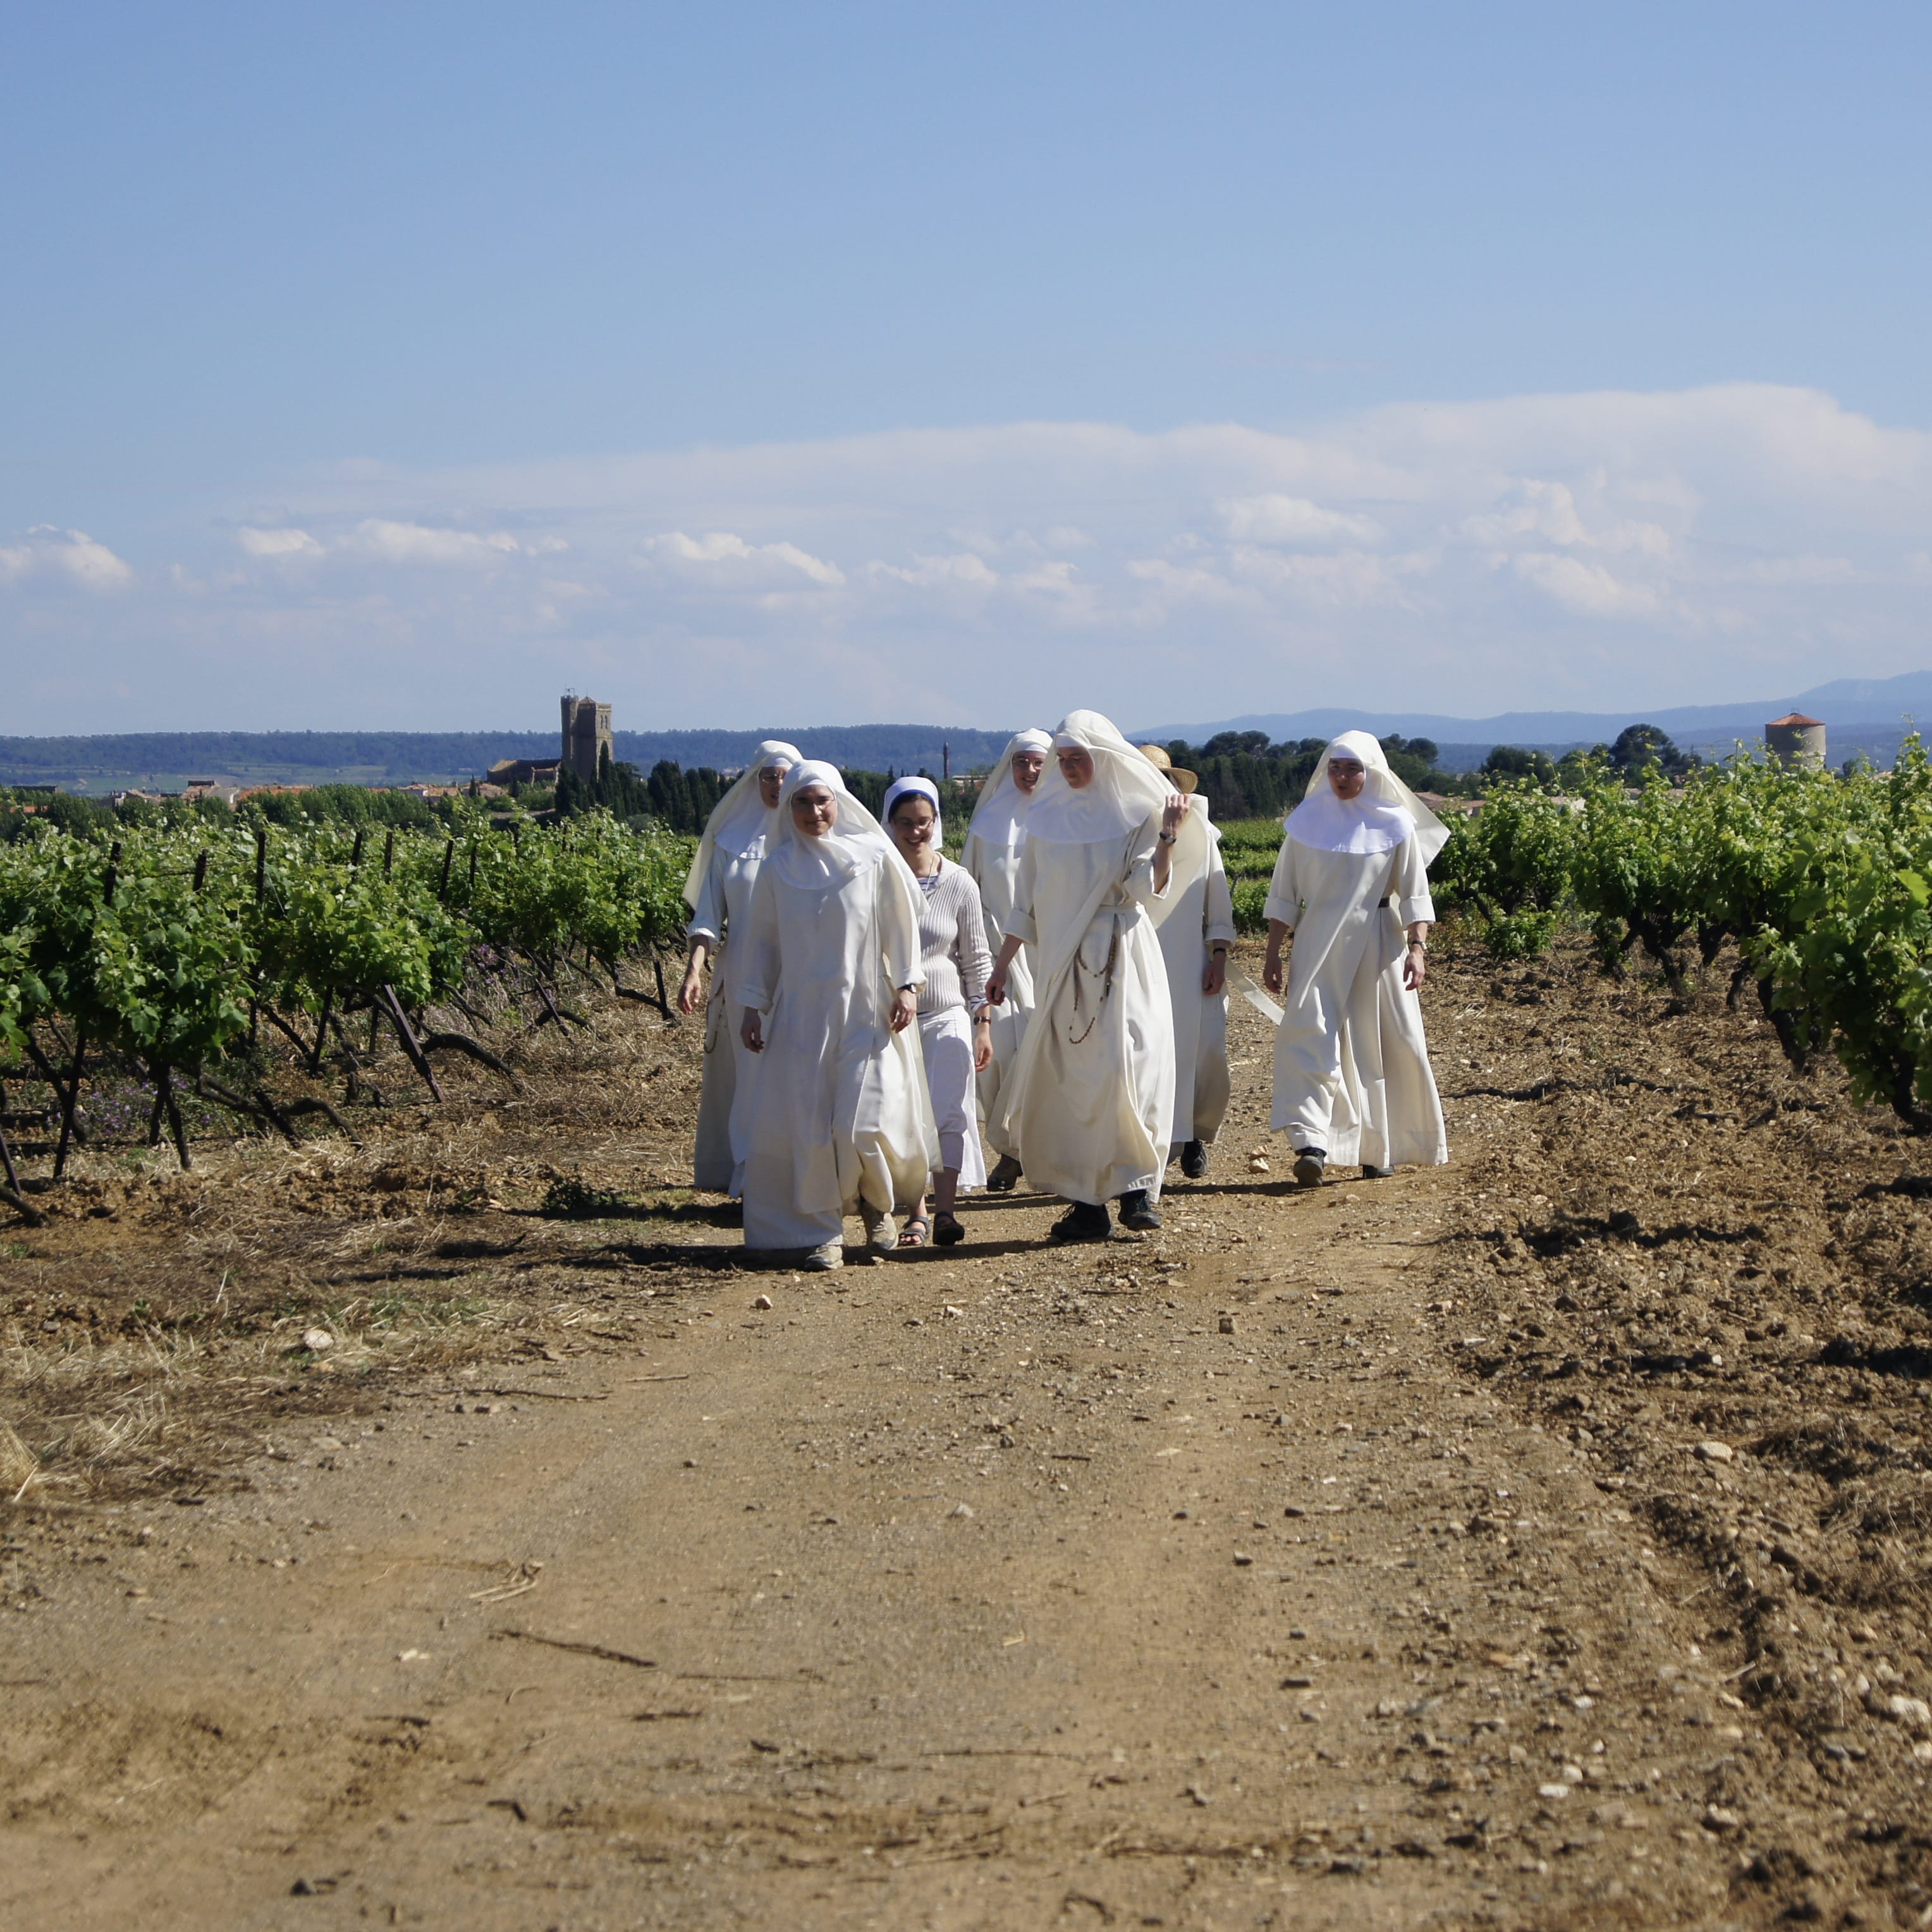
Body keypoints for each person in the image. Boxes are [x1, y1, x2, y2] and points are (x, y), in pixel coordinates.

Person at [984, 711, 1185, 1242]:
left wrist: (1166, 836)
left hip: (1123, 955)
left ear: (1104, 759)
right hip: (1061, 967)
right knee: (1073, 1079)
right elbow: (1024, 905)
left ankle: (1138, 1188)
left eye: (1080, 759)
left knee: (1131, 1064)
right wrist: (1003, 965)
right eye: (1063, 760)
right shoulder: (1043, 821)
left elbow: (1146, 887)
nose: (1070, 769)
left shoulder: (1139, 812)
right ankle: (1086, 1202)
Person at [736, 762, 939, 1269]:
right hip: (802, 1018)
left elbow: (901, 924)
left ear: (839, 802)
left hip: (866, 1011)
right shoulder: (778, 868)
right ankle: (823, 1231)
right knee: (809, 1127)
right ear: (790, 809)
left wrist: (908, 985)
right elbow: (761, 944)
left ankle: (875, 1203)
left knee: (863, 1121)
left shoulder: (872, 858)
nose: (814, 812)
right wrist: (752, 1006)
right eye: (802, 803)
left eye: (822, 801)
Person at [1261, 730, 1450, 1185]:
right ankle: (1312, 1141)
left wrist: (1418, 949)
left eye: (1353, 769)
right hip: (1318, 941)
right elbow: (1284, 895)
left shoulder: (1396, 825)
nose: (1343, 777)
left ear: (1371, 773)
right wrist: (1273, 953)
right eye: (1337, 768)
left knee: (1381, 1042)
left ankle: (1376, 1145)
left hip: (1379, 942)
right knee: (1310, 1033)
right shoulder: (1305, 824)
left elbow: (1415, 896)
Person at [676, 740, 802, 1194]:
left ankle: (795, 1172)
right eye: (769, 775)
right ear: (755, 781)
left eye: (786, 776)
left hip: (799, 976)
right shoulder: (730, 841)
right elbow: (708, 916)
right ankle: (750, 1175)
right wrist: (694, 969)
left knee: (793, 1072)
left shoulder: (807, 833)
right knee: (749, 1077)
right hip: (742, 973)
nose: (778, 784)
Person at [883, 776, 993, 1247]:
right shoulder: (878, 879)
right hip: (893, 1020)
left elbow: (976, 957)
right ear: (889, 823)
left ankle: (946, 1210)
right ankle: (917, 1212)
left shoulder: (958, 883)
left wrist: (983, 1021)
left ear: (936, 823)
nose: (915, 832)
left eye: (923, 823)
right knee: (902, 1114)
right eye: (905, 823)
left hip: (946, 1012)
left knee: (950, 1112)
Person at [960, 728, 1051, 1190]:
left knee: (1045, 1048)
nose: (1029, 772)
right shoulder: (987, 824)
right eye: (1021, 763)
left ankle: (1032, 1149)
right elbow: (968, 889)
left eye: (1038, 763)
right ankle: (1008, 1148)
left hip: (1050, 951)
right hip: (996, 953)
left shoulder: (1063, 816)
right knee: (1000, 1055)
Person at [1139, 745, 1235, 1180]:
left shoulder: (1202, 835)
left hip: (1190, 963)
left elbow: (1217, 902)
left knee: (1201, 1048)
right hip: (1141, 961)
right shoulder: (1130, 834)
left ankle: (1194, 1134)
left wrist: (1218, 954)